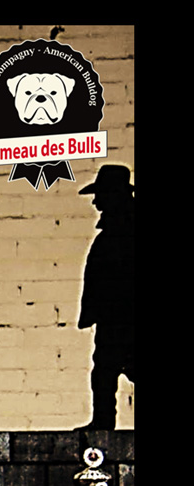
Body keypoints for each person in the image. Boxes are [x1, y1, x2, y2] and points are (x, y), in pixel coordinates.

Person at [77, 164, 135, 430]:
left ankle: (103, 423)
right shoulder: (112, 233)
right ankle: (102, 423)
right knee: (104, 370)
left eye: (100, 195)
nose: (96, 202)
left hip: (122, 318)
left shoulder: (121, 234)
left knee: (106, 369)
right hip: (112, 318)